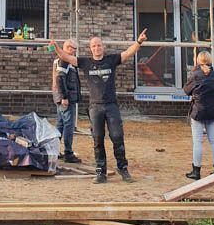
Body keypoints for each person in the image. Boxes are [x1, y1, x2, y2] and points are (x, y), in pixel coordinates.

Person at [52, 29, 148, 184]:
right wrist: (56, 46)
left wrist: (139, 41)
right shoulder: (85, 63)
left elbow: (129, 53)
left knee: (117, 137)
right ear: (91, 48)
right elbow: (65, 56)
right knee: (97, 139)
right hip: (95, 107)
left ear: (103, 47)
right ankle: (100, 172)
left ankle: (123, 169)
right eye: (94, 46)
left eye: (99, 45)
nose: (96, 48)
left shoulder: (111, 60)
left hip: (111, 106)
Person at [183, 50, 214, 180]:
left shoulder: (195, 75)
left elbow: (186, 90)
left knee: (197, 142)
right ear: (210, 60)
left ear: (198, 61)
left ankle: (196, 171)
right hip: (213, 110)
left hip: (198, 111)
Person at [52, 38, 81, 163]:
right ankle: (68, 153)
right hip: (66, 99)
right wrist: (64, 97)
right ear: (67, 47)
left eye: (75, 49)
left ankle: (54, 151)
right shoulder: (65, 60)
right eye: (72, 48)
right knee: (68, 125)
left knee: (60, 125)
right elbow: (60, 78)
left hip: (62, 98)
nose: (74, 51)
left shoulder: (61, 60)